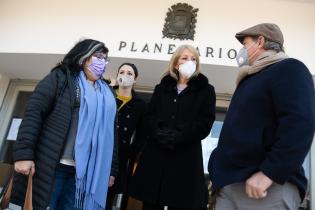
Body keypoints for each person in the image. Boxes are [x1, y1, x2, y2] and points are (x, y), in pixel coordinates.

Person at [208, 23, 315, 210]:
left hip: (266, 188)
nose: (242, 50)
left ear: (260, 41)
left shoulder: (289, 69)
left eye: (245, 44)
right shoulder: (249, 78)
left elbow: (300, 123)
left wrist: (270, 172)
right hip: (229, 185)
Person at [11, 39, 119, 210]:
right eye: (98, 56)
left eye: (106, 59)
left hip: (86, 174)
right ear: (83, 56)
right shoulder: (60, 78)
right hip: (52, 166)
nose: (103, 62)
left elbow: (111, 136)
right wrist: (23, 155)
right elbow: (34, 114)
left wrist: (110, 171)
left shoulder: (108, 93)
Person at [129, 44, 216, 210]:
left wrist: (179, 135)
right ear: (176, 63)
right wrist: (159, 131)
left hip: (185, 159)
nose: (189, 62)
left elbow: (205, 123)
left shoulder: (206, 90)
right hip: (156, 155)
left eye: (193, 59)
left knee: (180, 203)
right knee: (151, 203)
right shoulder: (161, 88)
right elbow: (149, 117)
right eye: (184, 58)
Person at [105, 63, 146, 210]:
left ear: (135, 79)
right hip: (99, 151)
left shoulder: (140, 104)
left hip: (120, 157)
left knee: (108, 198)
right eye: (121, 72)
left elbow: (142, 134)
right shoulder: (106, 94)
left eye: (129, 73)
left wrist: (131, 152)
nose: (125, 75)